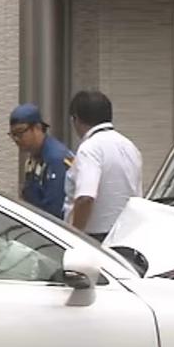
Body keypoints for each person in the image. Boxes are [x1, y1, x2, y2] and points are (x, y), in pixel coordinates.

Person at [64, 90, 142, 241]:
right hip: (128, 235)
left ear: (76, 119)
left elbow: (85, 197)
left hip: (96, 238)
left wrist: (74, 236)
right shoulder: (130, 146)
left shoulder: (90, 148)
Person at [8, 103, 73, 219]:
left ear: (37, 128)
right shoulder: (32, 158)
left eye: (20, 132)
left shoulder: (56, 159)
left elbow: (55, 211)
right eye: (13, 135)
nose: (16, 139)